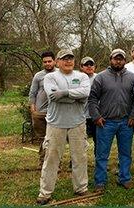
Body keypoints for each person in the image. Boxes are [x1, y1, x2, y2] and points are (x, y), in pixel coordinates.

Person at [37, 49, 90, 205]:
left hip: (77, 124)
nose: (68, 61)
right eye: (64, 59)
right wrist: (76, 97)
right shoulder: (50, 77)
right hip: (56, 124)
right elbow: (53, 96)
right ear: (57, 62)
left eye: (71, 58)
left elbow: (85, 93)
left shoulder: (82, 76)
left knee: (80, 157)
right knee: (51, 158)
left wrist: (65, 93)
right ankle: (45, 192)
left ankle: (81, 188)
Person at [88, 49, 134, 192]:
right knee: (102, 154)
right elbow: (92, 99)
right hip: (106, 122)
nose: (118, 61)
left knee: (125, 153)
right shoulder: (101, 77)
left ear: (125, 60)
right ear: (110, 59)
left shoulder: (132, 77)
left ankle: (124, 178)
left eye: (121, 59)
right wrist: (96, 117)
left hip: (126, 122)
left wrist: (133, 117)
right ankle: (100, 181)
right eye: (115, 58)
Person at [29, 51, 56, 169]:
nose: (47, 64)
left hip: (55, 113)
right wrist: (33, 109)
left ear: (54, 61)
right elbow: (32, 93)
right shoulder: (38, 76)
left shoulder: (60, 74)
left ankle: (56, 164)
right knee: (42, 139)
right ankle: (42, 162)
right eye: (45, 62)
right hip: (40, 113)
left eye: (50, 61)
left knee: (54, 139)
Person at [80, 56, 97, 155]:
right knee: (80, 140)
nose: (89, 66)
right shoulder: (77, 78)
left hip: (96, 115)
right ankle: (76, 161)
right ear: (81, 67)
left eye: (91, 64)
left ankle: (99, 162)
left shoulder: (99, 78)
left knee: (98, 141)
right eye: (86, 65)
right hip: (81, 115)